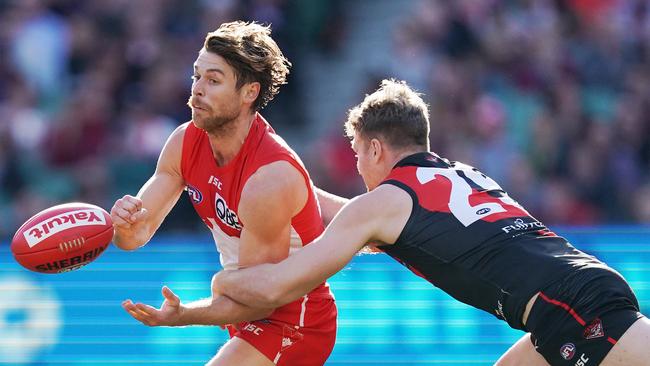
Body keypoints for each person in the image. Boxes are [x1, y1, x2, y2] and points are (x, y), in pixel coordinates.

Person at [212, 79, 650, 365]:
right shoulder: (457, 173)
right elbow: (347, 214)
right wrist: (291, 188)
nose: (359, 167)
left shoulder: (381, 204)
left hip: (573, 307)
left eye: (359, 153)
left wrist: (223, 285)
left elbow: (279, 286)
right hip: (573, 294)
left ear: (377, 149)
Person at [110, 21, 340, 366]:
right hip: (247, 312)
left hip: (295, 323)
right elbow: (135, 235)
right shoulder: (184, 142)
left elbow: (261, 300)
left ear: (249, 93)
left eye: (213, 80)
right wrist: (124, 225)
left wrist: (184, 314)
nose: (196, 90)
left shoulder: (269, 177)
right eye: (196, 76)